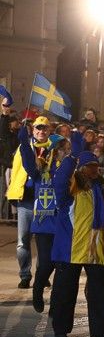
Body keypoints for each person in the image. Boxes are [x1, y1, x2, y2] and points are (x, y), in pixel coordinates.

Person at [50, 145, 104, 337]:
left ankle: (103, 334)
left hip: (96, 250)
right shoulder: (70, 191)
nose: (93, 169)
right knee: (64, 293)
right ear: (80, 169)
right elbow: (59, 180)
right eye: (89, 166)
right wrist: (71, 157)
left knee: (100, 294)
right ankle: (60, 330)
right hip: (69, 251)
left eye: (95, 165)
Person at [18, 126, 68, 312]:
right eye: (62, 149)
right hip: (45, 224)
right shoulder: (41, 170)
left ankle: (56, 305)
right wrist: (24, 143)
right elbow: (28, 163)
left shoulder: (70, 170)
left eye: (67, 149)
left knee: (62, 266)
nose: (65, 152)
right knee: (46, 263)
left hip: (64, 225)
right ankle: (37, 290)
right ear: (54, 151)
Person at [7, 115, 53, 288]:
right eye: (38, 128)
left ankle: (42, 274)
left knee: (44, 241)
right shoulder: (24, 146)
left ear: (49, 130)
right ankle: (25, 275)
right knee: (23, 240)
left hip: (45, 201)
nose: (41, 131)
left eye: (44, 128)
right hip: (26, 199)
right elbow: (16, 169)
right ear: (33, 130)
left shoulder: (54, 148)